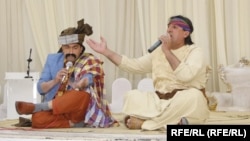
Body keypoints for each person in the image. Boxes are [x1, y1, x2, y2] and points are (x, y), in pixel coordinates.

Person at [86, 15, 210, 131]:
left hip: (182, 100)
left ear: (186, 33)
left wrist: (167, 51)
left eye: (174, 27)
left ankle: (144, 123)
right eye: (168, 27)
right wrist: (106, 52)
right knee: (131, 96)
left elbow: (185, 75)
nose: (169, 30)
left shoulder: (195, 52)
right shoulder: (158, 52)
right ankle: (174, 122)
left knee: (195, 97)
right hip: (159, 101)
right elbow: (133, 65)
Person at [15, 19, 118, 128]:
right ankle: (73, 124)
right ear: (62, 48)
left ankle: (37, 107)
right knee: (37, 120)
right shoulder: (52, 59)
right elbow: (40, 88)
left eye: (75, 47)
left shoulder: (88, 59)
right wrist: (55, 81)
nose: (71, 52)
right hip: (56, 109)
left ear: (81, 48)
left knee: (82, 95)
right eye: (67, 47)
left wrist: (79, 84)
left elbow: (89, 78)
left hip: (76, 108)